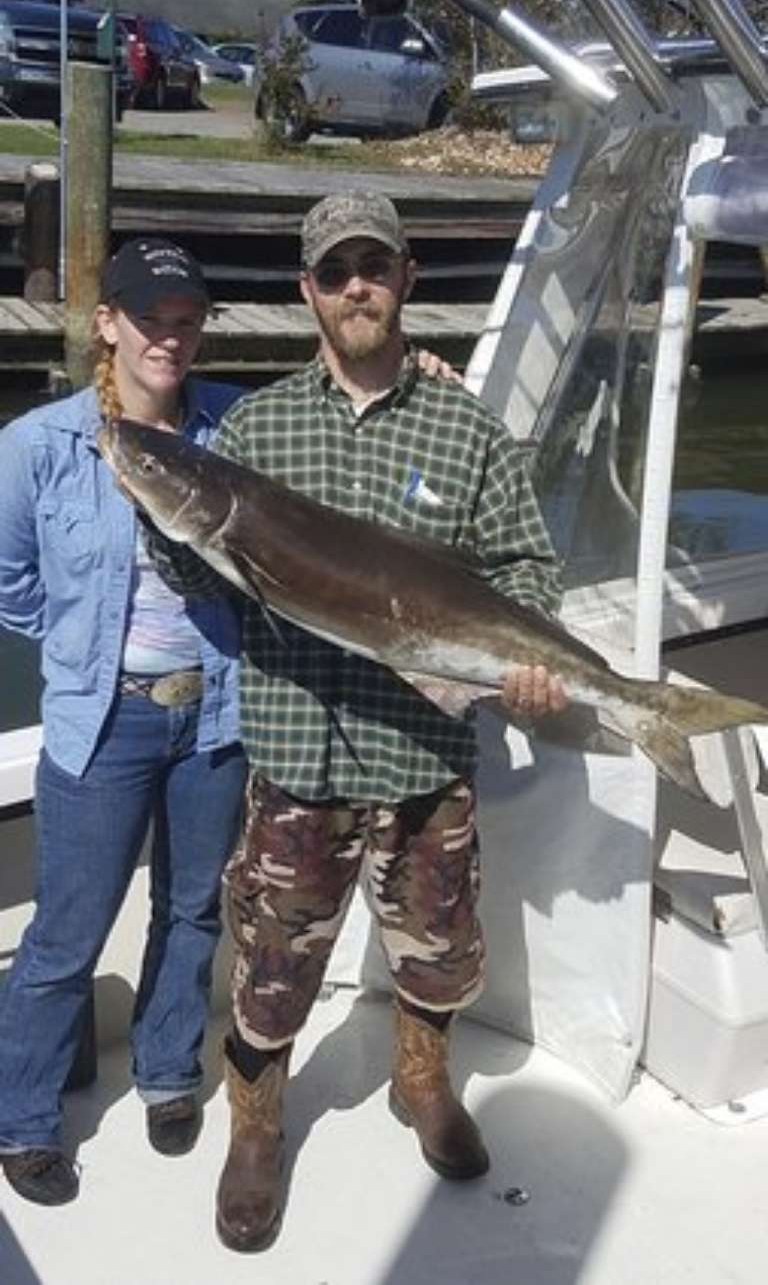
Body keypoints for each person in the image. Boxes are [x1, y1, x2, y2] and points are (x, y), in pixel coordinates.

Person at [144, 189, 566, 1253]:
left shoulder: (468, 426)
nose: (357, 287)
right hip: (297, 752)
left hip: (425, 752)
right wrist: (152, 495)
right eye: (335, 272)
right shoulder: (256, 427)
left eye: (375, 266)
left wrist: (534, 666)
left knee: (436, 950)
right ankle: (257, 1123)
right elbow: (209, 573)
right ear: (308, 293)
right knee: (273, 965)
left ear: (407, 280)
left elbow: (527, 573)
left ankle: (420, 1081)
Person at [0, 238, 248, 1207]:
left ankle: (169, 1069)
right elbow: (10, 580)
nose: (171, 338)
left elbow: (335, 426)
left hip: (215, 715)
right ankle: (22, 1116)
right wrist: (74, 646)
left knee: (191, 910)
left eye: (188, 320)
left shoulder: (238, 425)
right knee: (67, 932)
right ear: (109, 323)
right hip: (102, 723)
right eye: (151, 318)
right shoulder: (37, 446)